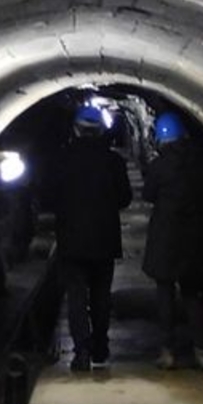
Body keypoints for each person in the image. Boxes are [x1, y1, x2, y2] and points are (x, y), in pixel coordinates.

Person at [42, 103, 132, 371]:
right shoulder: (113, 161)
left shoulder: (61, 160)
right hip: (105, 239)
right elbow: (124, 198)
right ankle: (100, 347)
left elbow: (48, 197)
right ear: (101, 130)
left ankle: (81, 351)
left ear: (76, 130)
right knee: (101, 295)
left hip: (71, 239)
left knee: (76, 296)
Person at [141, 111, 203, 370]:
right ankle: (202, 351)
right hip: (193, 239)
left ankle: (168, 351)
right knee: (193, 297)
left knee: (165, 296)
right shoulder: (200, 164)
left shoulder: (159, 166)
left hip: (165, 238)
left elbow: (148, 194)